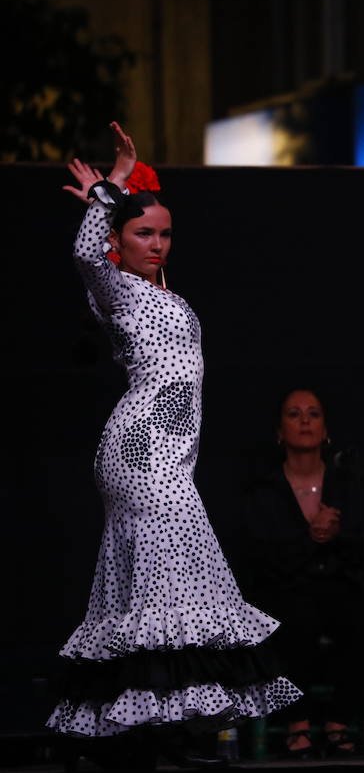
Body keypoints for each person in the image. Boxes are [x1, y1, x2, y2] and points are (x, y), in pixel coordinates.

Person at [49, 124, 299, 761]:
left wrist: (118, 198)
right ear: (116, 239)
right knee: (171, 581)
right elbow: (83, 255)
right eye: (143, 233)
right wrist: (115, 185)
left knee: (164, 583)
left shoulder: (161, 291)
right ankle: (162, 732)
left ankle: (154, 729)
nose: (156, 244)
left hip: (168, 451)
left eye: (163, 234)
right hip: (141, 449)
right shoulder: (114, 286)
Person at [240, 389, 364, 757]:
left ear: (325, 428)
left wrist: (336, 535)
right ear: (280, 431)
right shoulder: (263, 490)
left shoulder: (347, 481)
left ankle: (339, 724)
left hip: (338, 587)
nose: (304, 421)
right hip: (284, 589)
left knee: (357, 615)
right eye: (294, 414)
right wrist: (310, 536)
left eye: (313, 414)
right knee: (292, 618)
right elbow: (258, 553)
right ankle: (297, 725)